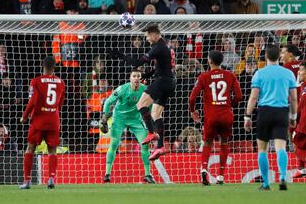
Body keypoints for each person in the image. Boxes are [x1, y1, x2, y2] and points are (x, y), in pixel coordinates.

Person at [110, 24, 176, 161]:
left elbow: (136, 62)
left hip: (162, 81)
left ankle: (151, 133)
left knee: (140, 105)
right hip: (169, 82)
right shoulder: (166, 46)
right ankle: (160, 146)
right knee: (155, 114)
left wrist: (119, 54)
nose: (146, 39)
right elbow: (164, 66)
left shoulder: (157, 47)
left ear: (153, 34)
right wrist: (149, 74)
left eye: (146, 36)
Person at [244, 46, 297, 191]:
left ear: (266, 57)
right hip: (281, 112)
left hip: (265, 112)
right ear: (279, 56)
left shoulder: (259, 74)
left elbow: (253, 97)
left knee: (262, 149)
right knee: (281, 147)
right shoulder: (288, 74)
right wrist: (293, 116)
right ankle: (282, 177)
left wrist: (247, 116)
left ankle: (266, 183)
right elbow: (293, 98)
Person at [189, 50, 242, 185]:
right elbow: (239, 96)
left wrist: (192, 111)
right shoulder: (230, 75)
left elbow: (192, 97)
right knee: (224, 142)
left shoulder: (203, 76)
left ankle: (204, 169)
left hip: (211, 117)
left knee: (207, 142)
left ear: (209, 61)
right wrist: (230, 105)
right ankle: (220, 176)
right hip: (226, 115)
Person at [100, 69, 155, 183]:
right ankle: (107, 174)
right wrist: (104, 117)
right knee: (114, 144)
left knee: (145, 145)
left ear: (141, 79)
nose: (136, 78)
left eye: (138, 76)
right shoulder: (122, 89)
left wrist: (151, 121)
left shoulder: (145, 90)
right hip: (119, 118)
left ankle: (148, 175)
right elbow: (108, 102)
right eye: (133, 76)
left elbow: (150, 106)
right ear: (130, 79)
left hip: (136, 120)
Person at [19, 56, 65, 189]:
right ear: (54, 68)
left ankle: (27, 181)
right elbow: (60, 103)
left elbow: (32, 101)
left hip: (39, 120)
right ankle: (51, 179)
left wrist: (25, 116)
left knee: (30, 149)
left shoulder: (36, 81)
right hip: (53, 120)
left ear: (43, 66)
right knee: (52, 151)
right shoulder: (61, 82)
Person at [293, 62, 306, 178]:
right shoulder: (303, 85)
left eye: (301, 70)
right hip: (302, 120)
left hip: (304, 123)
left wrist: (294, 117)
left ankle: (302, 168)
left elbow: (301, 106)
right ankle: (301, 168)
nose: (299, 72)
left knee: (297, 140)